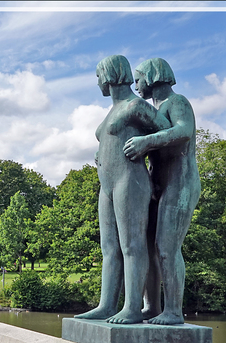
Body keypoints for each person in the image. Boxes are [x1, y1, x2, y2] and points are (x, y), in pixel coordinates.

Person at [75, 55, 170, 324]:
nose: (97, 83)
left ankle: (131, 307)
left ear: (110, 75)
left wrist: (144, 143)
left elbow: (168, 132)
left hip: (130, 179)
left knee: (132, 245)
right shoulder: (114, 109)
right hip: (107, 184)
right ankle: (106, 305)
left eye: (98, 77)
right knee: (109, 247)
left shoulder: (135, 105)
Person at [122, 57, 201, 325]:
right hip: (158, 185)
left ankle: (174, 311)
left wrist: (146, 141)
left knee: (166, 247)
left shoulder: (176, 102)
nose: (136, 84)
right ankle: (152, 306)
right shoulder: (153, 111)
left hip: (180, 183)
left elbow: (184, 131)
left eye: (139, 78)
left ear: (153, 77)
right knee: (147, 247)